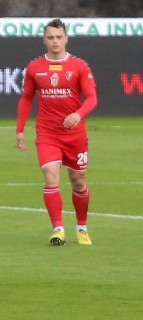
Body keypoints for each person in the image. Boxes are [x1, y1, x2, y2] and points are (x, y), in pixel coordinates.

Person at [16, 18, 97, 246]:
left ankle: (81, 227)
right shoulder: (34, 67)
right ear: (44, 40)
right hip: (47, 133)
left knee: (78, 180)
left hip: (75, 134)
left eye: (59, 37)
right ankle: (58, 228)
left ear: (66, 39)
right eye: (50, 37)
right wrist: (20, 130)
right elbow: (26, 98)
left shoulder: (79, 66)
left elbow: (92, 97)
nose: (55, 41)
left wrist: (78, 114)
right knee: (51, 177)